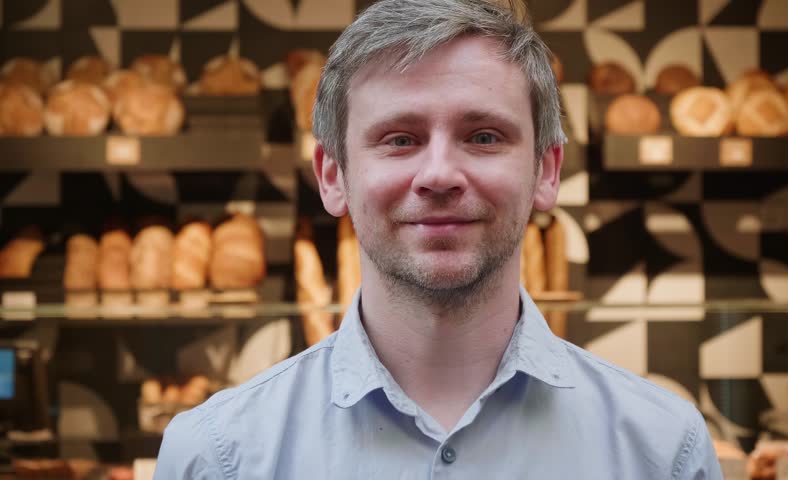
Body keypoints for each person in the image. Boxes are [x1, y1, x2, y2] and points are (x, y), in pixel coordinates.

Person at [154, 0, 723, 478]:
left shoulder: (663, 452)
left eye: (483, 135)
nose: (439, 174)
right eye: (400, 139)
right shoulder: (216, 457)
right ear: (332, 176)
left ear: (546, 172)